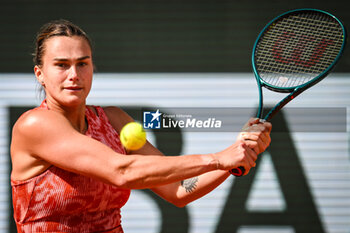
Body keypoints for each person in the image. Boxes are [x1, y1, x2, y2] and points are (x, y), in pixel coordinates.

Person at [10, 19, 272, 233]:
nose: (74, 75)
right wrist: (217, 159)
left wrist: (236, 153)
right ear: (39, 74)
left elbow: (179, 190)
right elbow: (122, 171)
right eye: (61, 65)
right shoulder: (35, 125)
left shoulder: (114, 119)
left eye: (83, 63)